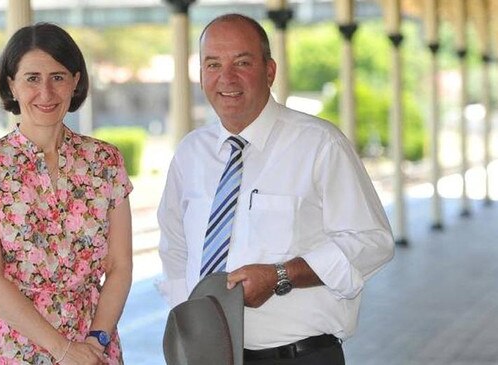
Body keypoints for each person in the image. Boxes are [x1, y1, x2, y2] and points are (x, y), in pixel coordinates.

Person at [158, 13, 394, 364]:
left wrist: (282, 275)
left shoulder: (320, 144)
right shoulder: (191, 153)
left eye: (242, 62)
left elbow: (373, 241)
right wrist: (191, 325)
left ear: (269, 71)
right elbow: (175, 250)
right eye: (213, 64)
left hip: (299, 356)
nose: (227, 77)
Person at [0, 22, 133, 365]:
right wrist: (63, 350)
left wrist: (96, 341)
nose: (46, 92)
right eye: (32, 78)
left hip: (93, 345)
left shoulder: (106, 161)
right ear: (11, 86)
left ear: (76, 82)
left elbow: (121, 266)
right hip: (9, 349)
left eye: (58, 77)